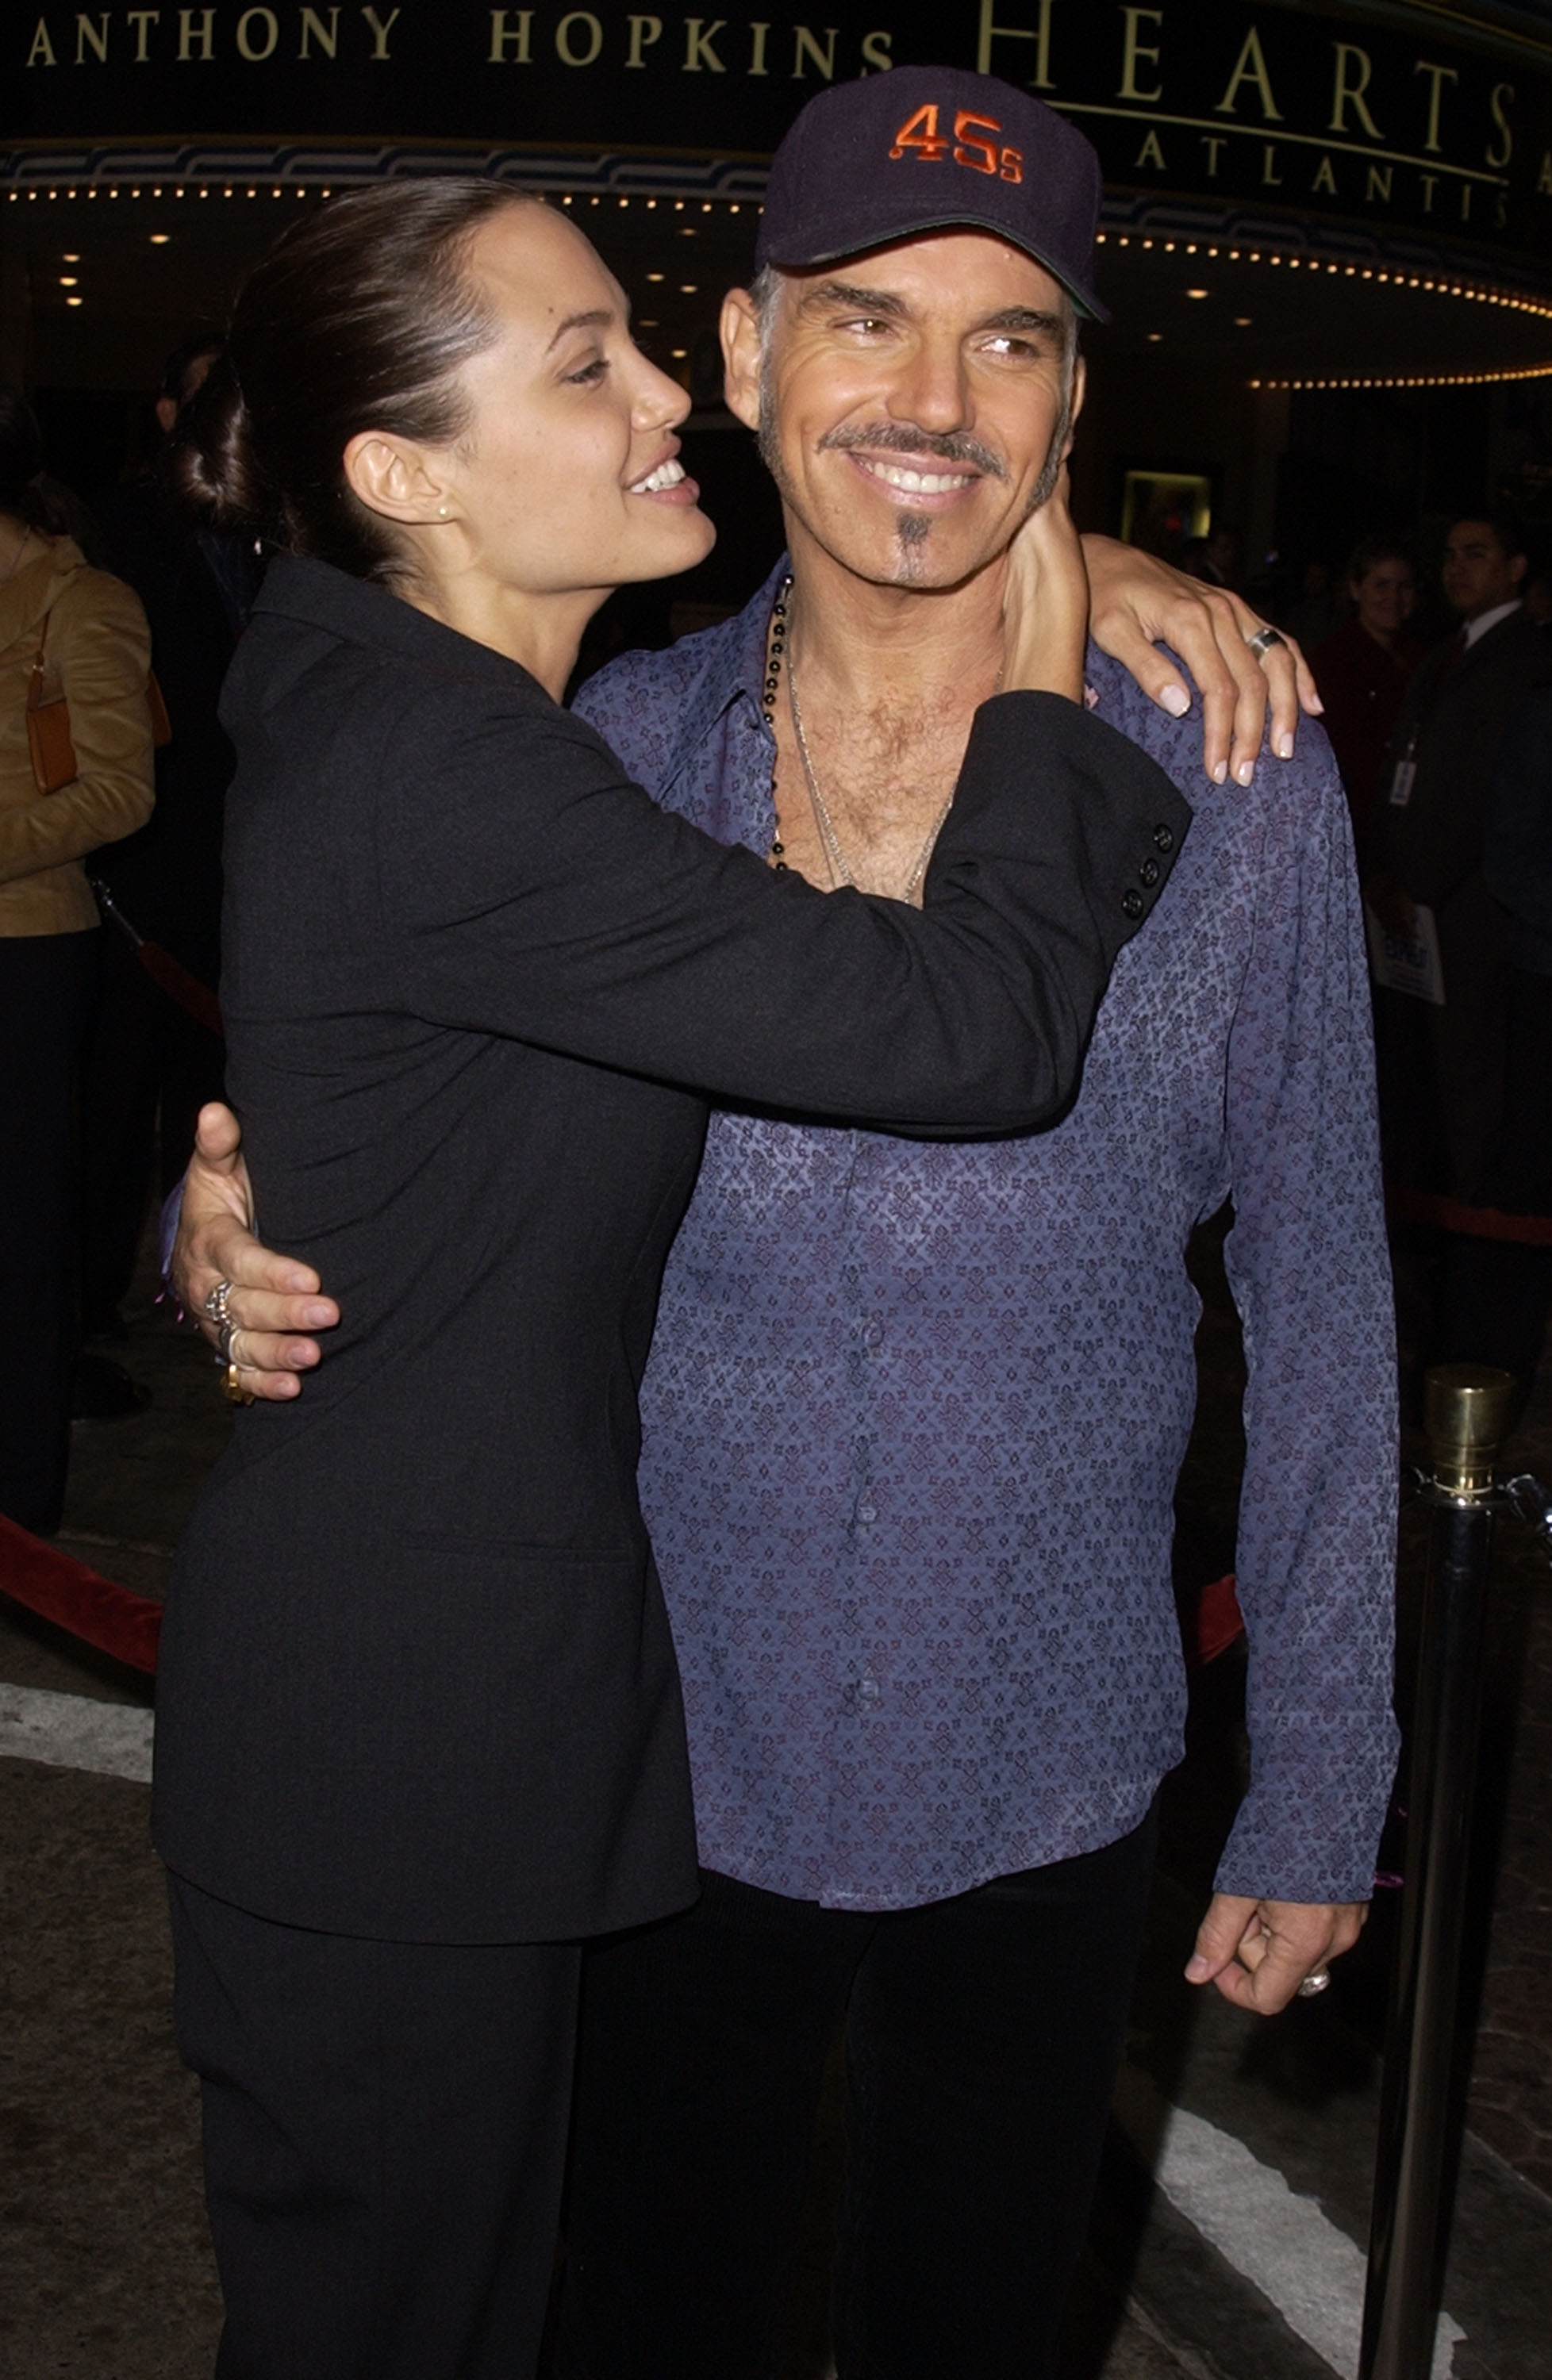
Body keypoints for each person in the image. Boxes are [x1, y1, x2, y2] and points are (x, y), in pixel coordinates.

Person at [172, 72, 1393, 2380]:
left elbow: (1323, 1288)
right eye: (862, 323)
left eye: (1012, 341)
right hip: (647, 1766)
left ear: (1071, 400)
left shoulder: (1229, 768)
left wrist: (1320, 1774)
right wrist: (217, 1222)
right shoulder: (601, 748)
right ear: (741, 363)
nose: (933, 400)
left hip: (1042, 1760)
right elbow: (376, 1063)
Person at [78, 335, 253, 1353]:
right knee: (114, 1111)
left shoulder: (275, 535)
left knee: (208, 1108)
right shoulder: (122, 538)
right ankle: (93, 1319)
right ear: (165, 417)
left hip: (232, 876)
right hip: (139, 872)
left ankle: (188, 1291)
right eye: (205, 398)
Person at [0, 386, 154, 1534]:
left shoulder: (76, 603)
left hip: (23, 958)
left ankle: (18, 1508)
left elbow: (118, 789)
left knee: (19, 1237)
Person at [1370, 512, 1552, 1203]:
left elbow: (1485, 799)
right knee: (1419, 1082)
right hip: (1413, 907)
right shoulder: (1448, 652)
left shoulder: (1522, 662)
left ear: (1516, 568)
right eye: (1449, 555)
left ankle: (1473, 1248)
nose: (1457, 568)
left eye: (1477, 554)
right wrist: (1383, 872)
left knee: (1469, 1084)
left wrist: (1413, 888)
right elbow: (1405, 773)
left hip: (1469, 916)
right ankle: (1426, 1240)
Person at [1312, 539, 1423, 881]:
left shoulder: (1421, 658)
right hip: (1356, 830)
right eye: (1381, 585)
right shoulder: (1333, 661)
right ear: (1356, 589)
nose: (1393, 598)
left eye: (1403, 587)